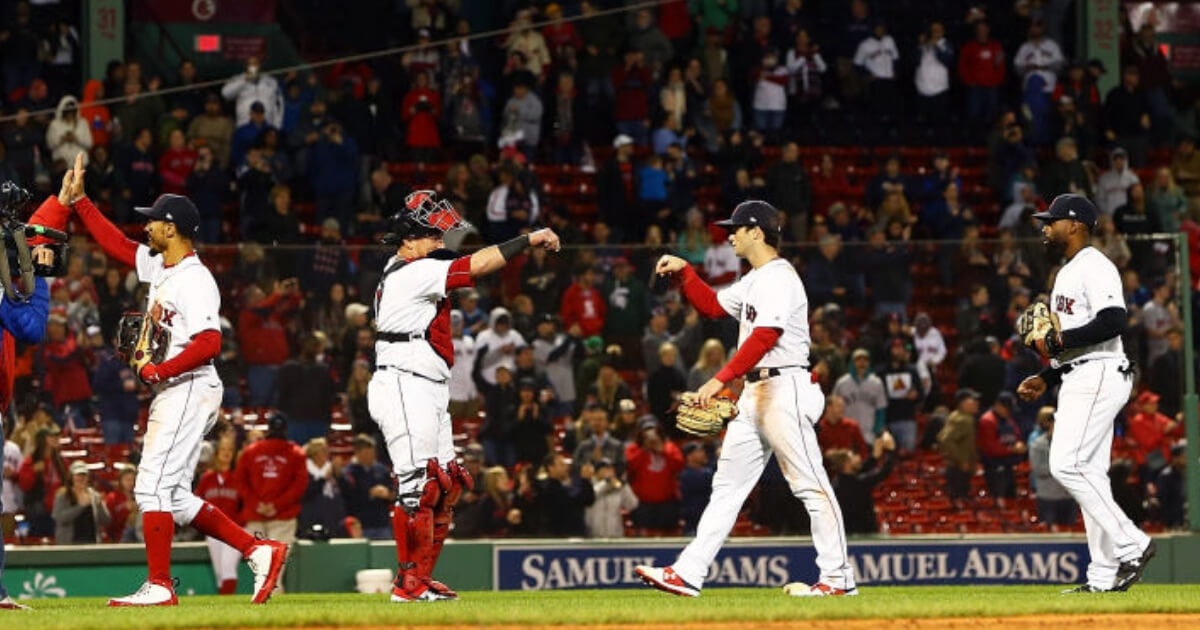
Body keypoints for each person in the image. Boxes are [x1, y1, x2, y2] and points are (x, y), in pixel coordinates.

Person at [61, 155, 287, 606]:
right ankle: (257, 549)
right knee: (175, 497)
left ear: (172, 227)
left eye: (153, 223)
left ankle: (160, 586)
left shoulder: (196, 279)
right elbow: (119, 247)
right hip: (179, 389)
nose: (146, 228)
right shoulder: (163, 267)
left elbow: (209, 342)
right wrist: (80, 203)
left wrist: (158, 370)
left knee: (149, 488)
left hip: (188, 384)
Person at [637, 200, 856, 597]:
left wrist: (717, 380)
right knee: (727, 487)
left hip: (784, 388)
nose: (729, 235)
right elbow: (711, 306)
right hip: (756, 393)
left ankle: (839, 579)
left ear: (757, 232)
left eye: (736, 228)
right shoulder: (755, 279)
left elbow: (765, 336)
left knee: (810, 485)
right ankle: (688, 572)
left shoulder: (780, 277)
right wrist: (686, 271)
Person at [369, 190, 560, 602]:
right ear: (408, 238)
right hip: (404, 381)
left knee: (446, 486)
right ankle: (407, 584)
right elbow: (477, 265)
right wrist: (528, 238)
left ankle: (420, 578)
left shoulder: (413, 265)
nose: (440, 244)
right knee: (417, 488)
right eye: (431, 237)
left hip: (426, 384)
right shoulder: (409, 271)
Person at [1017, 194, 1155, 593]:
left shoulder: (1096, 265)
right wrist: (1048, 374)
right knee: (1089, 475)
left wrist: (1058, 344)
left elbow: (1114, 321)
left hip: (1099, 374)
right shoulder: (1067, 272)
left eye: (1052, 221)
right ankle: (1103, 577)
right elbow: (1072, 344)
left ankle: (1133, 543)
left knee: (1066, 464)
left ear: (1074, 225)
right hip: (1080, 373)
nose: (1046, 227)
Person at [236, 413, 308, 545]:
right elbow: (299, 486)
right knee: (275, 562)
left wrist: (256, 504)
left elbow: (240, 482)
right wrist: (276, 505)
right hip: (283, 517)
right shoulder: (297, 453)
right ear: (286, 430)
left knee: (259, 562)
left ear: (268, 429)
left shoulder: (250, 451)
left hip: (256, 514)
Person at [195, 435, 242, 594]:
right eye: (223, 449)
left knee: (228, 568)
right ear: (216, 453)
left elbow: (246, 503)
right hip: (213, 531)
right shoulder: (207, 478)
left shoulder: (238, 478)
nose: (226, 453)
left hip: (233, 529)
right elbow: (197, 502)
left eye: (230, 450)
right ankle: (225, 607)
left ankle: (228, 606)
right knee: (220, 573)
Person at [827, 432, 896, 534]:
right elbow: (884, 472)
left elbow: (860, 470)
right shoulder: (858, 483)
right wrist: (891, 450)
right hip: (864, 534)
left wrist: (874, 457)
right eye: (854, 456)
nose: (859, 458)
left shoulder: (837, 481)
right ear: (846, 464)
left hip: (847, 533)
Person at [1028, 413, 1077, 527]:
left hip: (1068, 496)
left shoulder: (1072, 444)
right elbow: (1038, 469)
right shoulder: (1038, 444)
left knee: (1069, 533)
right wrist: (1059, 467)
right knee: (1050, 534)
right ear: (1050, 424)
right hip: (1048, 497)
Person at [52, 460, 111, 544]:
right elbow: (59, 518)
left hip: (91, 544)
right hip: (69, 544)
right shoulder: (63, 495)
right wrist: (80, 506)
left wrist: (100, 505)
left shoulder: (94, 495)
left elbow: (106, 520)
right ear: (71, 477)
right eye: (78, 475)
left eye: (84, 475)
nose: (81, 478)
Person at [939, 389, 980, 500]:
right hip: (957, 468)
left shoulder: (967, 417)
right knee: (959, 499)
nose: (977, 403)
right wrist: (961, 460)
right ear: (963, 403)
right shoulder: (959, 419)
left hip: (963, 468)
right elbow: (946, 439)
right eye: (973, 400)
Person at [585, 458, 638, 538]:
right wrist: (606, 483)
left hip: (615, 537)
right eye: (606, 469)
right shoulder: (589, 485)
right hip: (594, 536)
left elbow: (632, 505)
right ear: (597, 471)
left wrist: (624, 486)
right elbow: (591, 495)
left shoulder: (618, 486)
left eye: (611, 469)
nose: (610, 472)